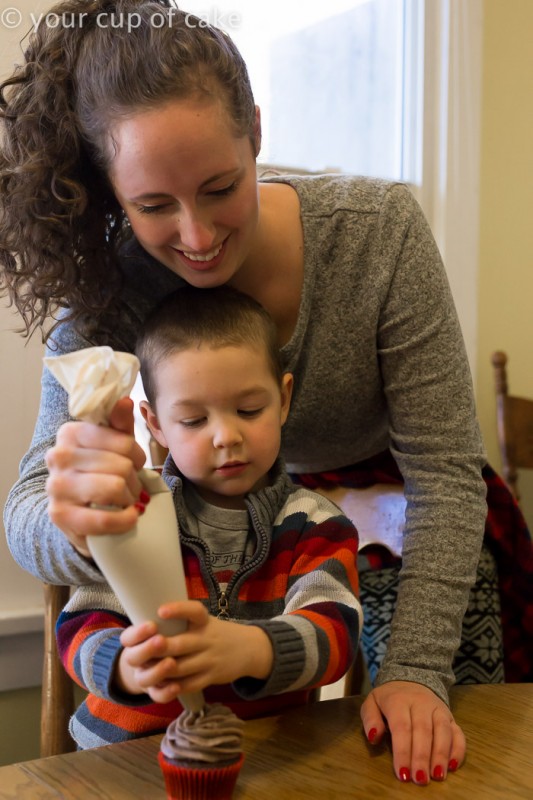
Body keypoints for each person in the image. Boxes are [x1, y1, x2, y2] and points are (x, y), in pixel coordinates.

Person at [0, 0, 493, 785]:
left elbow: (442, 473)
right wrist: (78, 519)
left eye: (220, 187)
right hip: (224, 546)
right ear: (111, 192)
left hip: (408, 524)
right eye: (153, 206)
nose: (195, 238)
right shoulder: (107, 289)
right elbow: (27, 514)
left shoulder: (377, 233)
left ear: (256, 132)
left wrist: (415, 670)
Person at [54, 285, 362, 748]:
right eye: (194, 420)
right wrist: (122, 666)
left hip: (262, 755)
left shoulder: (316, 524)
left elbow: (336, 632)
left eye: (248, 410)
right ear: (155, 423)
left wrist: (251, 650)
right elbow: (82, 623)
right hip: (120, 757)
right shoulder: (135, 508)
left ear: (284, 399)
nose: (225, 436)